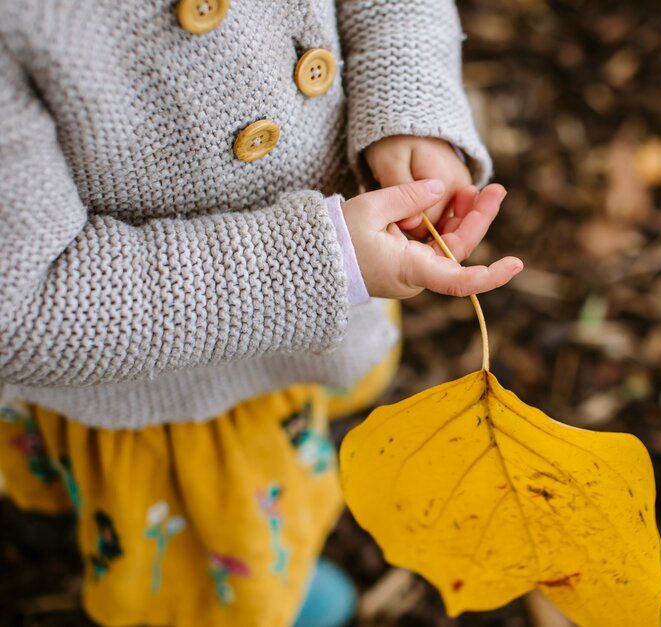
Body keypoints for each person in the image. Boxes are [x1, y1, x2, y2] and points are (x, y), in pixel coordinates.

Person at [0, 1, 521, 625]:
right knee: (212, 568)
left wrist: (408, 107)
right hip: (161, 394)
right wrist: (323, 261)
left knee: (288, 463)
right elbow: (23, 308)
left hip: (328, 303)